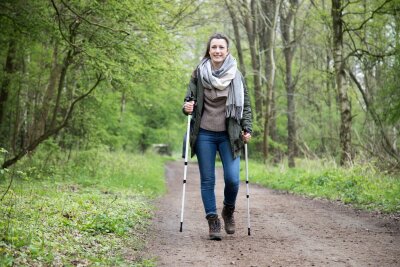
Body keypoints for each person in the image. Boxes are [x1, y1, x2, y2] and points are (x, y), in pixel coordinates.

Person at [182, 33, 252, 240]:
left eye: (221, 47)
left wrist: (247, 129)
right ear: (209, 50)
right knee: (207, 180)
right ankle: (213, 221)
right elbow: (188, 101)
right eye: (214, 47)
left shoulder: (236, 76)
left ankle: (228, 210)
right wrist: (186, 107)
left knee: (232, 180)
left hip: (229, 134)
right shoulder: (198, 73)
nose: (218, 51)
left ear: (227, 51)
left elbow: (246, 106)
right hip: (204, 133)